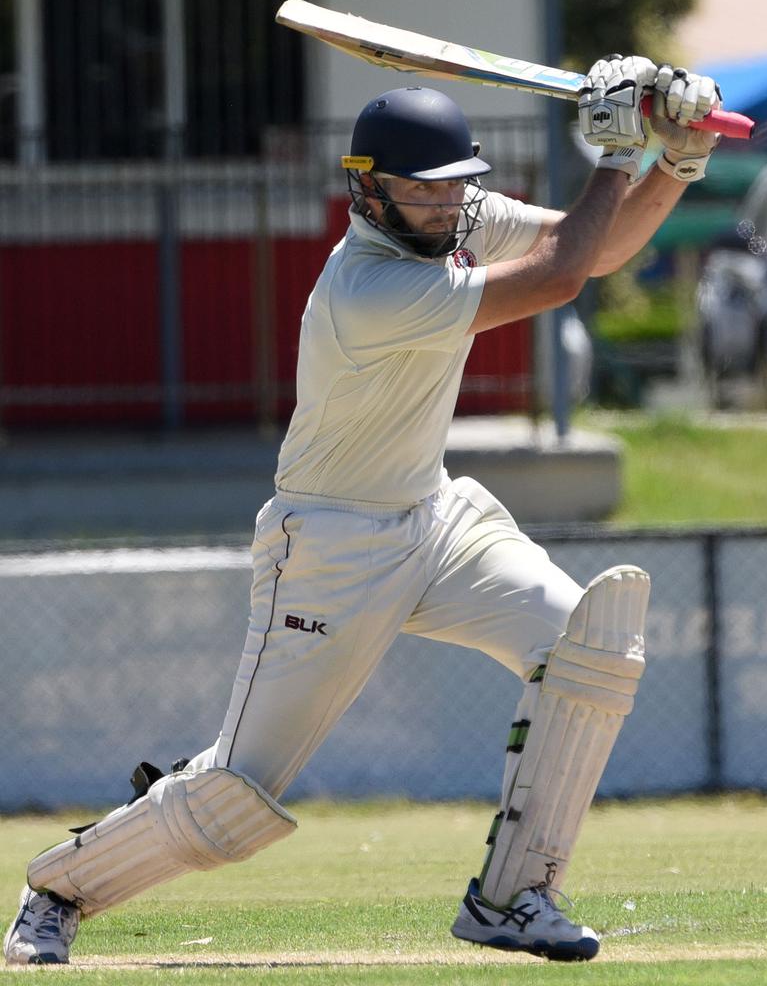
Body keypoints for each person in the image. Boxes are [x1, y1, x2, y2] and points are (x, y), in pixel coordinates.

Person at [5, 55, 721, 965]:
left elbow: (601, 244)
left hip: (437, 517)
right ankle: (56, 890)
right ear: (369, 195)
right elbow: (557, 280)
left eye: (456, 190)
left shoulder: (456, 221)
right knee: (238, 795)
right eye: (423, 195)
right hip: (331, 545)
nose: (447, 208)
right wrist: (614, 154)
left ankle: (513, 898)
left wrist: (675, 160)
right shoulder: (368, 289)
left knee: (589, 642)